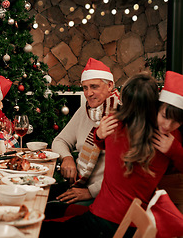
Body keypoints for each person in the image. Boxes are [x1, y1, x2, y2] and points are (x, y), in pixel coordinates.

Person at [40, 73, 183, 237]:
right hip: (132, 223)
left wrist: (99, 135)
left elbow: (105, 146)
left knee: (39, 225)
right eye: (165, 116)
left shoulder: (113, 122)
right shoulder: (171, 138)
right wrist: (175, 150)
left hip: (103, 219)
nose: (168, 124)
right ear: (155, 105)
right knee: (52, 210)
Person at [48, 58, 120, 210]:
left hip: (101, 195)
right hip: (78, 183)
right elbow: (60, 140)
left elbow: (123, 172)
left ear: (110, 86)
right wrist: (67, 158)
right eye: (85, 88)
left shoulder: (120, 115)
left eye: (94, 87)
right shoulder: (85, 110)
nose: (88, 93)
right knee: (36, 194)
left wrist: (90, 192)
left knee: (48, 212)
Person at [156, 71, 183, 214]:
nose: (167, 125)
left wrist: (175, 150)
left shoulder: (177, 136)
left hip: (172, 191)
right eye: (164, 116)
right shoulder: (144, 123)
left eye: (176, 122)